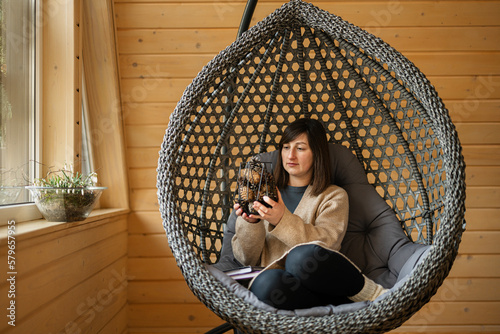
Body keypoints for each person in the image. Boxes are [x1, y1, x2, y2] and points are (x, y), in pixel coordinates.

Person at [231, 118, 387, 310]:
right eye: (286, 147)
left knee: (302, 258)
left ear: (316, 153)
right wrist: (252, 222)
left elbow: (327, 246)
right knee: (266, 282)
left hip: (323, 284)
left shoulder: (333, 196)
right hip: (285, 293)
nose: (290, 155)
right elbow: (246, 259)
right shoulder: (263, 195)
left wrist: (282, 219)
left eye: (301, 148)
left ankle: (375, 295)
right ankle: (321, 320)